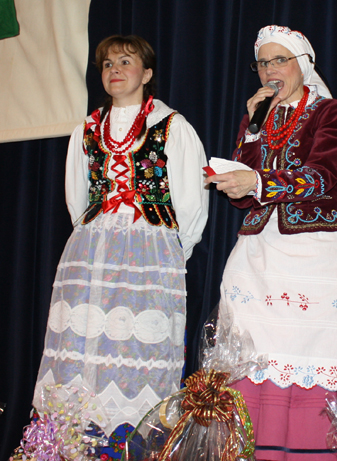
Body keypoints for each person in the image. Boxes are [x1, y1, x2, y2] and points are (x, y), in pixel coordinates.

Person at [26, 35, 208, 459]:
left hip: (151, 251)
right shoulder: (87, 130)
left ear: (146, 74)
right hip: (92, 251)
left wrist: (168, 255)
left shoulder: (172, 127)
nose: (114, 70)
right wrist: (97, 238)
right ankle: (76, 445)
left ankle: (132, 448)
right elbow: (79, 198)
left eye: (125, 62)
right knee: (84, 344)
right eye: (107, 64)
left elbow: (191, 202)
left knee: (136, 349)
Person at [205, 25, 337, 460]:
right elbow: (246, 197)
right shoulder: (256, 117)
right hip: (259, 254)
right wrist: (249, 138)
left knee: (320, 354)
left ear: (302, 65)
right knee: (252, 358)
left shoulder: (333, 111)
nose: (269, 70)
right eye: (263, 62)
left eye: (279, 60)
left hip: (316, 251)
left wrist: (258, 180)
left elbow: (323, 176)